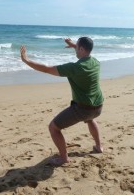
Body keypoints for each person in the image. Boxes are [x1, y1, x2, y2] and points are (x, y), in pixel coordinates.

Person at [20, 37, 104, 166]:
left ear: (81, 49)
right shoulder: (95, 62)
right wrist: (73, 45)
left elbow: (46, 68)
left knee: (53, 127)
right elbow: (82, 49)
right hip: (98, 107)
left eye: (77, 47)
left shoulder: (74, 68)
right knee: (91, 119)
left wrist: (26, 60)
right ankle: (99, 147)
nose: (76, 50)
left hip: (83, 109)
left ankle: (64, 158)